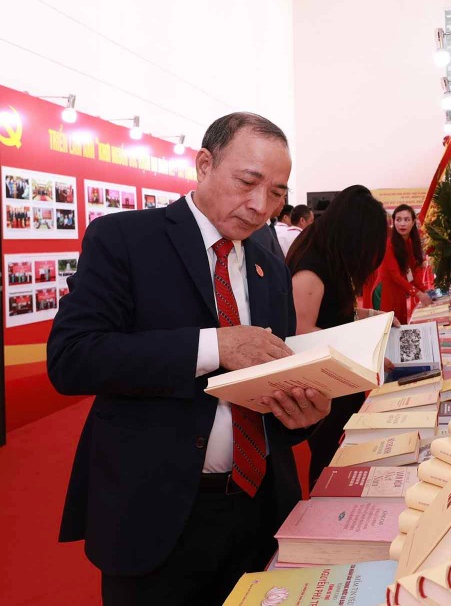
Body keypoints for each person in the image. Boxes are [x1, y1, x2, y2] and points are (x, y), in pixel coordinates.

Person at [47, 112, 332, 605]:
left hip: (262, 508)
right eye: (248, 182)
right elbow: (73, 357)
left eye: (278, 192)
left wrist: (302, 414)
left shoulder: (267, 260)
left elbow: (272, 372)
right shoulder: (125, 240)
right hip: (157, 515)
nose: (260, 206)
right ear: (204, 164)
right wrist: (213, 346)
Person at [285, 185, 389, 486]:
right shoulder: (312, 268)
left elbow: (337, 313)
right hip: (325, 387)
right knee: (328, 458)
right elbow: (301, 334)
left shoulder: (329, 254)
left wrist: (369, 317)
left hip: (339, 381)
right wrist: (362, 342)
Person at [378, 204, 431, 323]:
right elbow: (395, 275)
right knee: (388, 326)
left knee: (400, 324)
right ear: (393, 222)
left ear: (413, 222)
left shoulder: (410, 243)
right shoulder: (389, 244)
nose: (402, 224)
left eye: (406, 220)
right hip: (385, 291)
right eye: (398, 219)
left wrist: (424, 290)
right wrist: (418, 293)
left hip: (399, 289)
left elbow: (411, 272)